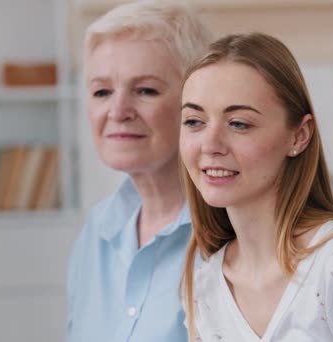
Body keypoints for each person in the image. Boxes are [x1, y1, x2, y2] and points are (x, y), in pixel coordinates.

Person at [178, 32, 333, 342]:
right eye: (194, 121)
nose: (210, 145)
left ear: (299, 136)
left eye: (238, 124)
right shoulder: (203, 284)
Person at [65, 1, 211, 341]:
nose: (118, 110)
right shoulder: (95, 234)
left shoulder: (231, 236)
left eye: (145, 90)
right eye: (101, 91)